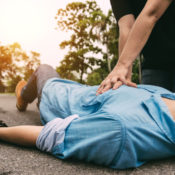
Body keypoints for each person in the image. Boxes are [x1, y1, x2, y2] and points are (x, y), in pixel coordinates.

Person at [0, 64, 175, 169]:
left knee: (43, 69)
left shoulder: (121, 130)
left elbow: (49, 134)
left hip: (56, 96)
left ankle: (24, 96)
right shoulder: (168, 95)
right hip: (84, 90)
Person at [96, 0, 175, 95]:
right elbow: (127, 27)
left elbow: (152, 12)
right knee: (149, 105)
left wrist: (122, 64)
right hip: (154, 62)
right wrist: (123, 76)